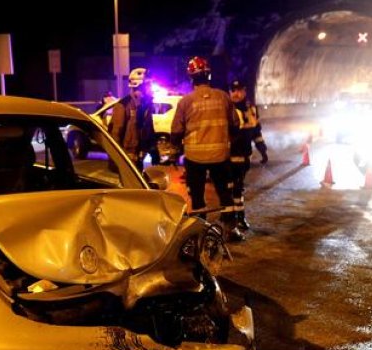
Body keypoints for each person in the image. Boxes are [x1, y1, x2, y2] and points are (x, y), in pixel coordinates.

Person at [171, 56, 244, 242]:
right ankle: (230, 229)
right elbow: (235, 126)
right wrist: (225, 142)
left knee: (196, 196)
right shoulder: (223, 97)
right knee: (225, 194)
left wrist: (176, 149)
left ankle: (198, 231)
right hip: (220, 157)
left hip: (195, 158)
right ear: (208, 75)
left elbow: (176, 131)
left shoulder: (185, 102)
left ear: (191, 78)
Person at [228, 80, 267, 231]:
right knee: (233, 188)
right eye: (233, 90)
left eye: (239, 90)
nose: (235, 94)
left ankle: (236, 215)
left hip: (244, 157)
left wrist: (262, 149)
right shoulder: (226, 109)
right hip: (229, 157)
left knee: (238, 188)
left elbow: (256, 131)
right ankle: (236, 217)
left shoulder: (251, 109)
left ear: (244, 91)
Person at [108, 67, 156, 171]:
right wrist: (116, 160)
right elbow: (115, 134)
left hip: (138, 158)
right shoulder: (123, 105)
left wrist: (153, 150)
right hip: (127, 160)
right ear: (139, 86)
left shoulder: (146, 105)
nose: (150, 88)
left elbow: (149, 129)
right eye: (148, 85)